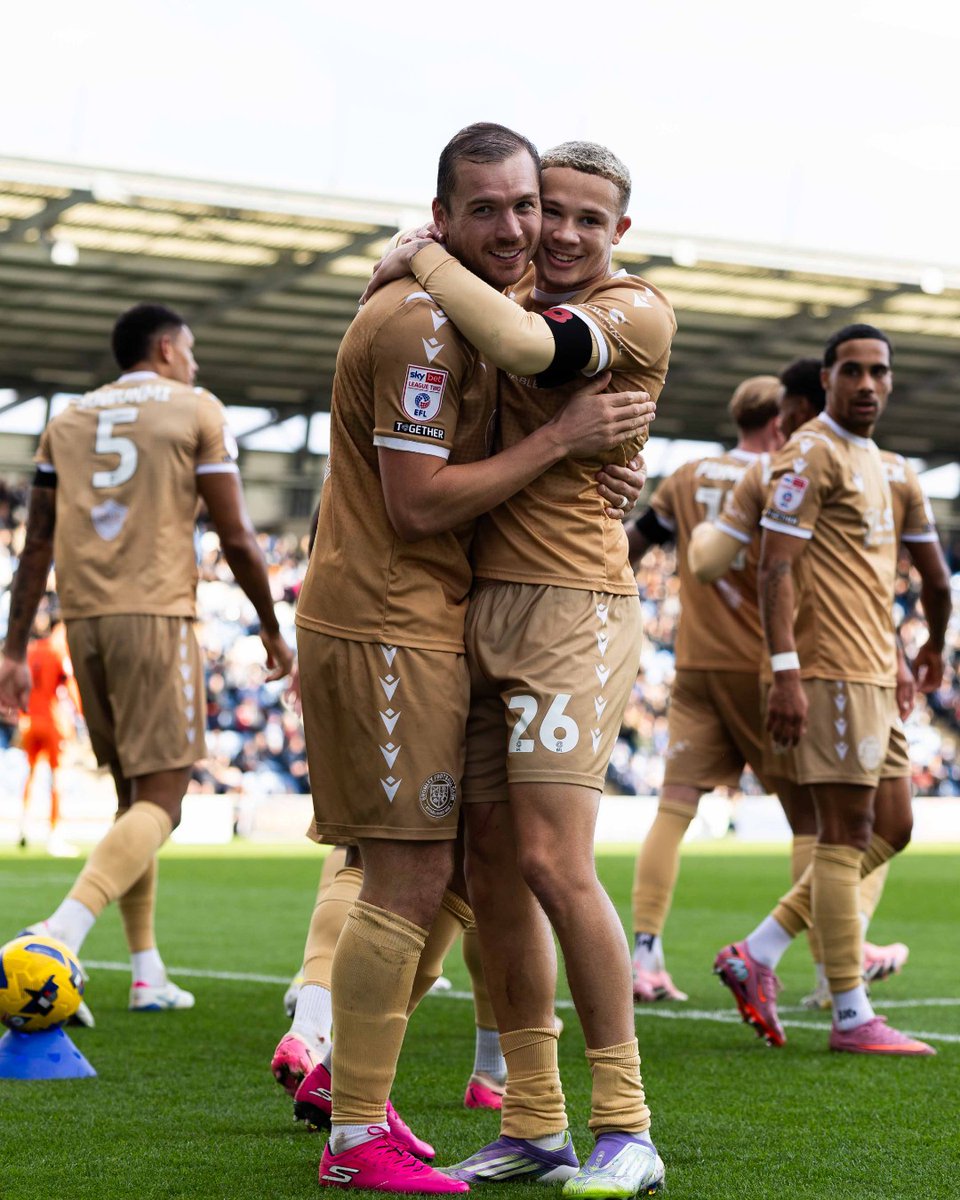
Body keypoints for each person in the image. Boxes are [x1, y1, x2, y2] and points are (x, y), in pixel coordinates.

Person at [292, 123, 655, 1195]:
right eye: (503, 208)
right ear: (447, 210)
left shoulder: (623, 307)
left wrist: (426, 253)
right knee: (465, 869)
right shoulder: (446, 320)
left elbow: (545, 364)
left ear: (619, 229)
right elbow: (421, 491)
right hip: (434, 615)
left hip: (560, 615)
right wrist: (419, 262)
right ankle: (526, 1119)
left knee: (537, 863)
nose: (541, 230)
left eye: (553, 212)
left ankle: (624, 1124)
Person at [0, 302, 293, 1016]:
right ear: (165, 349)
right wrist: (270, 626)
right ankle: (59, 933)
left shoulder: (64, 422)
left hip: (84, 622)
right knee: (165, 801)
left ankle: (145, 970)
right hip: (157, 615)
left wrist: (12, 649)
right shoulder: (194, 407)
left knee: (135, 798)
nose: (194, 364)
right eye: (189, 351)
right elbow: (236, 535)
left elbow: (35, 545)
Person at [708, 324, 946, 1055]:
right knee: (843, 836)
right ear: (831, 380)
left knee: (894, 828)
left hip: (878, 667)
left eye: (879, 371)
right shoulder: (806, 454)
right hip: (827, 667)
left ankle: (759, 950)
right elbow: (774, 567)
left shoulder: (898, 469)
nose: (867, 384)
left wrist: (927, 643)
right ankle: (850, 1014)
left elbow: (933, 575)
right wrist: (785, 670)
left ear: (891, 381)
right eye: (853, 371)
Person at [624, 375, 784, 1003]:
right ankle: (836, 971)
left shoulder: (687, 475)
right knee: (816, 823)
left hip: (694, 664)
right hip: (768, 668)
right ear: (780, 422)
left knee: (674, 809)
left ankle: (646, 955)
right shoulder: (784, 475)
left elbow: (631, 545)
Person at [17, 607, 83, 857]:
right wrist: (81, 714)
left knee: (31, 774)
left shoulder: (30, 650)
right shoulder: (58, 651)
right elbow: (68, 687)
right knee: (57, 778)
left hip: (30, 721)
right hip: (53, 722)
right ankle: (54, 834)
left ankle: (23, 825)